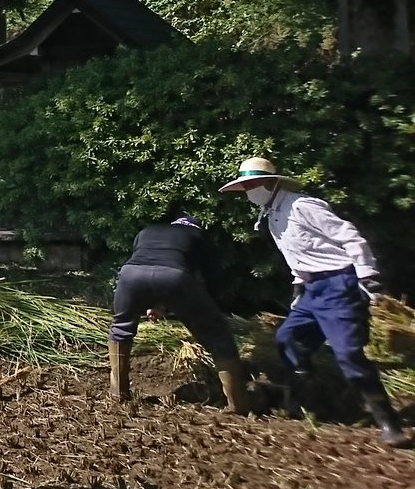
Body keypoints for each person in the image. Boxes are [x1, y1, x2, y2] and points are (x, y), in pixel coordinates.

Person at [220, 156, 409, 447]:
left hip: (339, 284)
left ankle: (388, 421)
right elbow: (297, 256)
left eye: (253, 184)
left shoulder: (302, 206)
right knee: (288, 338)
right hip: (312, 289)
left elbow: (350, 236)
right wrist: (298, 286)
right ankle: (307, 396)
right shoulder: (271, 215)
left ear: (271, 183)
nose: (249, 191)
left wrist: (367, 275)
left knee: (348, 354)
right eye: (245, 187)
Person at [108, 215, 253, 413]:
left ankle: (118, 393)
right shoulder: (198, 235)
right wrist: (212, 306)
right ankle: (239, 403)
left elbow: (150, 266)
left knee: (120, 329)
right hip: (175, 276)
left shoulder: (147, 231)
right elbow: (211, 276)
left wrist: (152, 303)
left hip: (131, 274)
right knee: (217, 336)